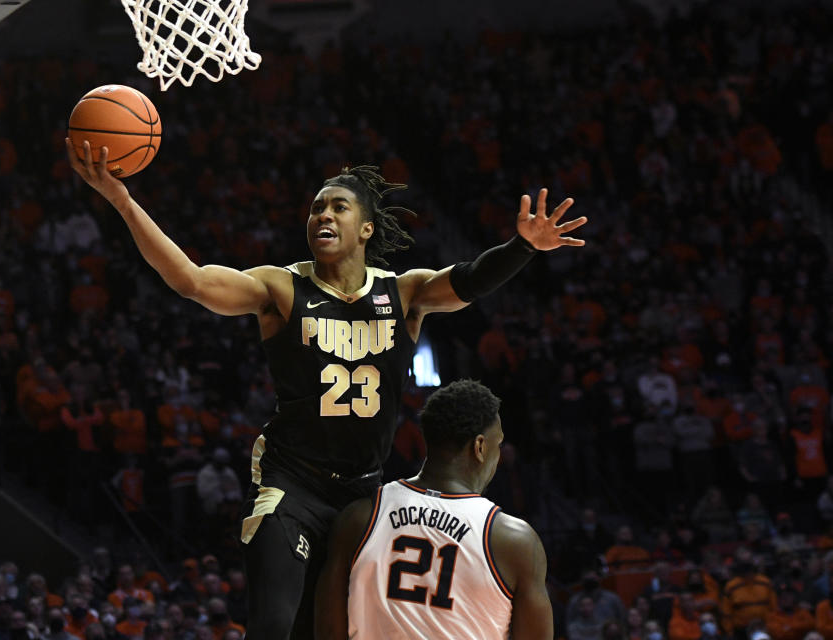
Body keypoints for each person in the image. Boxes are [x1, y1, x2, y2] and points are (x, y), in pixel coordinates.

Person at [68, 139, 587, 640]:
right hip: (292, 484)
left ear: (364, 228)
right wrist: (122, 200)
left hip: (363, 494)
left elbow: (470, 279)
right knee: (274, 624)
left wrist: (523, 246)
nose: (322, 216)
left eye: (337, 207)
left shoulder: (404, 292)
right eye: (316, 208)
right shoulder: (281, 288)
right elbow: (192, 281)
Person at [314, 380, 552, 639]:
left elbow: (327, 631)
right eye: (498, 445)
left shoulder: (361, 517)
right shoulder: (515, 541)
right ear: (480, 447)